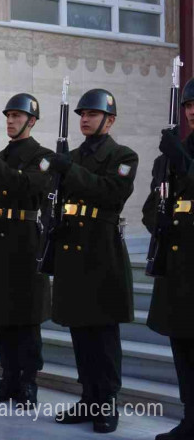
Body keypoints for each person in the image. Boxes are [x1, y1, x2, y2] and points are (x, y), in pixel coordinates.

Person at [48, 89, 137, 434]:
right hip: (72, 250)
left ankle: (106, 401)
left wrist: (68, 170)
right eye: (82, 114)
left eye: (92, 114)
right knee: (80, 332)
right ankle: (88, 398)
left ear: (109, 120)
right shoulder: (69, 156)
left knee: (102, 334)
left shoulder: (123, 155)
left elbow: (111, 193)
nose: (84, 119)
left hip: (102, 253)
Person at [0, 93, 52, 407]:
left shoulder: (42, 157)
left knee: (27, 318)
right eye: (8, 116)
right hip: (2, 240)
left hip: (28, 241)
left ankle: (28, 382)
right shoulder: (0, 156)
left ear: (31, 121)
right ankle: (8, 378)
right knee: (3, 316)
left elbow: (27, 187)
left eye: (17, 116)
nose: (11, 121)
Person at [143, 78, 194, 440]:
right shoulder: (175, 153)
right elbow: (151, 207)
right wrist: (157, 221)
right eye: (189, 106)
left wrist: (180, 157)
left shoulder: (180, 154)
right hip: (177, 269)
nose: (192, 111)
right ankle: (191, 419)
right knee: (183, 351)